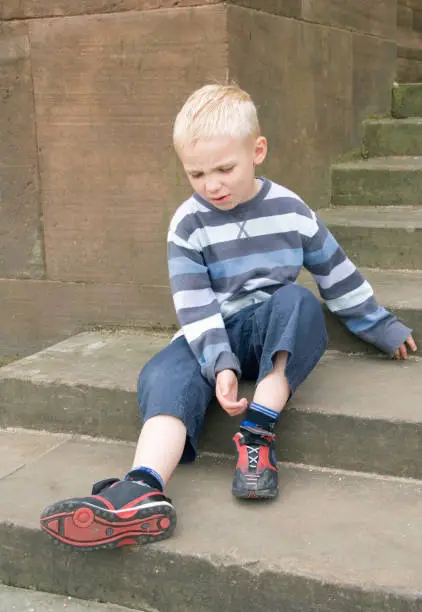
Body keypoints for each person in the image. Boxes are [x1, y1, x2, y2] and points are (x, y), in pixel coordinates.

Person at [40, 84, 417, 551]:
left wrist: (378, 325)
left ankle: (256, 434)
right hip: (212, 331)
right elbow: (194, 302)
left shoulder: (291, 211)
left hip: (272, 325)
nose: (211, 184)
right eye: (196, 173)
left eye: (224, 169)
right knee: (163, 372)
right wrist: (219, 363)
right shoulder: (187, 225)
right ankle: (140, 488)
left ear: (257, 151)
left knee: (298, 303)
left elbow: (335, 273)